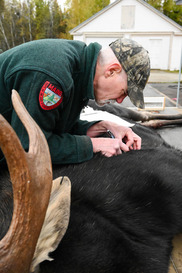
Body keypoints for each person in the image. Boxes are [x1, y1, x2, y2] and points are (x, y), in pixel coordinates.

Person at [0, 38, 150, 164]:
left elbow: (53, 125)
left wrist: (101, 126)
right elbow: (28, 148)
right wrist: (90, 145)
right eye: (124, 92)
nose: (119, 100)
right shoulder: (53, 76)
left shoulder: (80, 68)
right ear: (111, 71)